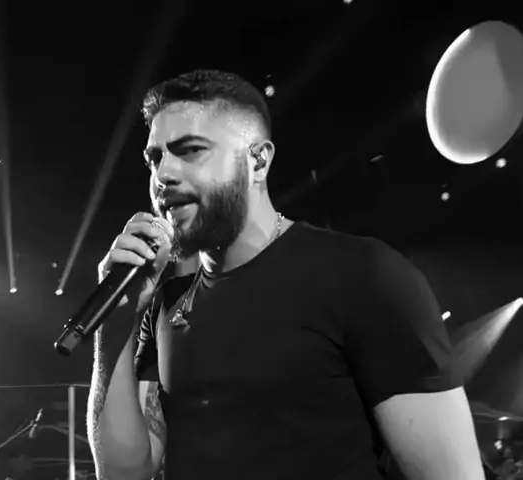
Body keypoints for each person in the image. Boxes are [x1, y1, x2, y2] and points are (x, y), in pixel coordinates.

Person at [86, 69, 485, 480]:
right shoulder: (164, 305)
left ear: (258, 161)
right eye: (155, 158)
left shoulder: (362, 274)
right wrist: (114, 326)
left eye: (190, 150)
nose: (163, 175)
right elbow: (122, 474)